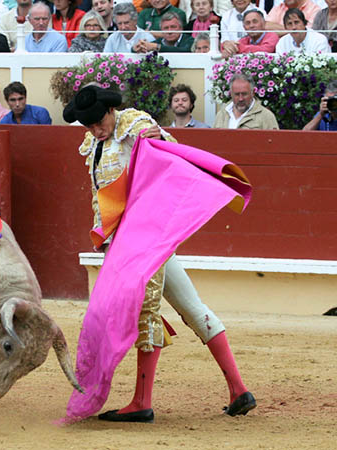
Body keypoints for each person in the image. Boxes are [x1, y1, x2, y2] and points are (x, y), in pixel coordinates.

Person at [63, 85, 256, 422]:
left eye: (98, 123)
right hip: (124, 243)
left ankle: (142, 401)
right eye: (88, 126)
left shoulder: (136, 125)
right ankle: (239, 390)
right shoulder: (93, 141)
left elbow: (173, 155)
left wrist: (163, 139)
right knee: (192, 308)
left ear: (111, 111)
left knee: (144, 311)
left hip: (145, 240)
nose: (95, 130)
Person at [214, 73, 279, 129]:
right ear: (231, 94)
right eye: (237, 94)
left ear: (253, 93)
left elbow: (275, 142)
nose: (241, 99)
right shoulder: (222, 114)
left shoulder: (266, 116)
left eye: (244, 94)